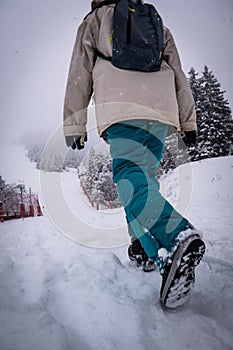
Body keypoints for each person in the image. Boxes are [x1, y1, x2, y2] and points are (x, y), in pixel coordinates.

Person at [63, 0, 205, 308]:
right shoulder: (154, 21)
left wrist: (74, 123)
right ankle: (147, 250)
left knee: (130, 179)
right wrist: (187, 120)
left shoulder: (96, 20)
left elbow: (79, 72)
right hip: (160, 110)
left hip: (121, 109)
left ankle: (177, 234)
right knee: (142, 183)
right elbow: (177, 72)